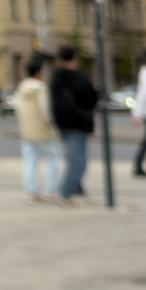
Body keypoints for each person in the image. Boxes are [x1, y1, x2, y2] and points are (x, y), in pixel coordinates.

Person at [50, 44, 98, 203]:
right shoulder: (78, 77)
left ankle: (77, 189)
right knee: (78, 161)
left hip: (62, 124)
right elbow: (91, 98)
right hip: (78, 123)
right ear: (75, 58)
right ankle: (64, 192)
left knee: (72, 156)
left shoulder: (56, 77)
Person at [15, 54, 60, 202]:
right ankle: (50, 190)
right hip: (42, 130)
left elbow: (17, 109)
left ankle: (31, 192)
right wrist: (52, 125)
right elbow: (45, 110)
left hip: (27, 130)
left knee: (30, 161)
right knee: (52, 158)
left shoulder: (21, 88)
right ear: (39, 73)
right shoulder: (41, 88)